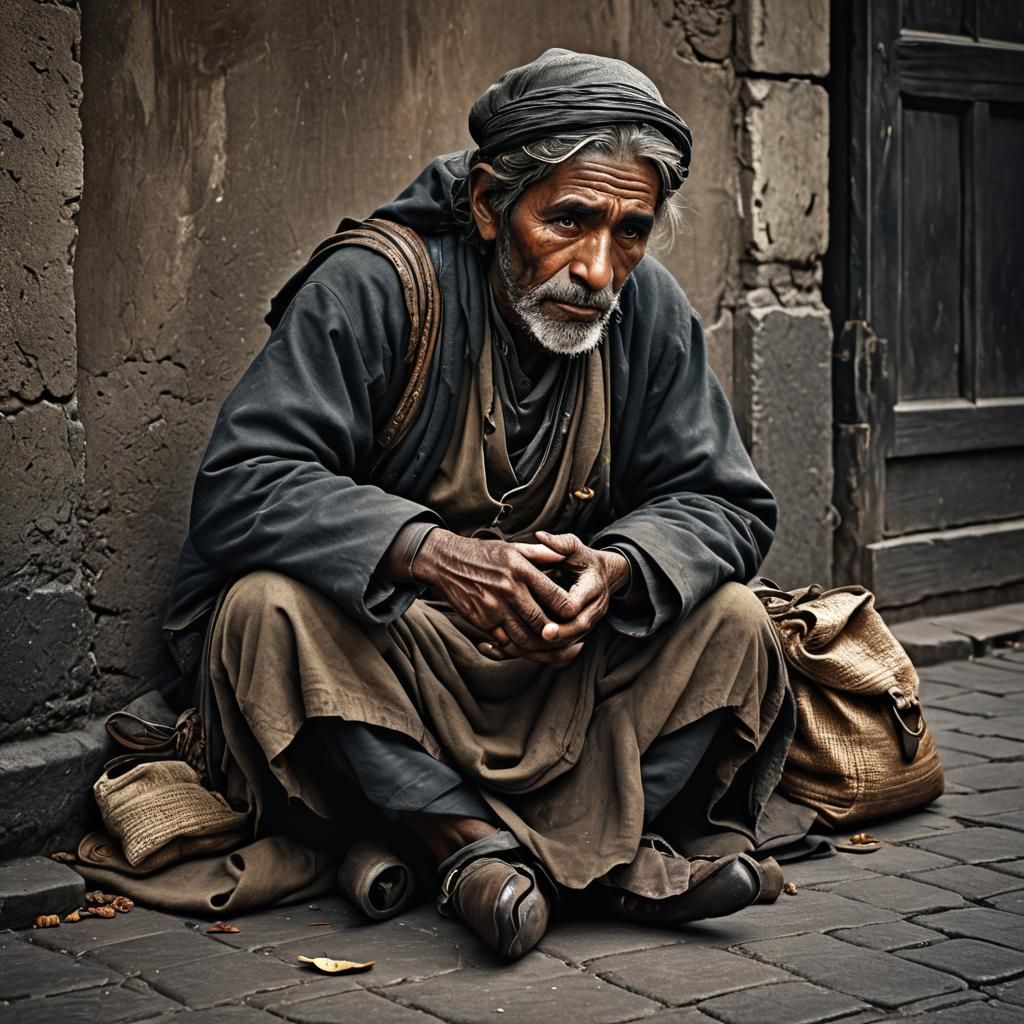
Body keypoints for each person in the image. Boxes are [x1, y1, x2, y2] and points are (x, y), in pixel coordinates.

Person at [163, 48, 802, 961]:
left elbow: (725, 502)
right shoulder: (379, 288)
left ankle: (571, 858)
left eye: (631, 230)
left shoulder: (646, 310)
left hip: (556, 665)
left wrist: (617, 569)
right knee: (264, 614)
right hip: (396, 658)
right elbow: (241, 483)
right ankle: (471, 849)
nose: (596, 268)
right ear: (487, 204)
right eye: (569, 220)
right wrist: (434, 556)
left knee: (736, 624)